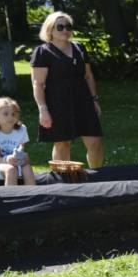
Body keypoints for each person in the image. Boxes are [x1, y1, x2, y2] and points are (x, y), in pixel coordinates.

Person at [30, 11, 103, 167]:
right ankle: (63, 179)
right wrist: (43, 109)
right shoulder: (43, 52)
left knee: (95, 141)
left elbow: (88, 76)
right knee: (62, 143)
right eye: (60, 27)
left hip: (83, 100)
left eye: (68, 27)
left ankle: (98, 176)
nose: (65, 30)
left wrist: (94, 99)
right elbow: (38, 83)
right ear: (50, 29)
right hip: (57, 102)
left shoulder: (79, 48)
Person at [0, 97, 35, 186]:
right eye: (6, 114)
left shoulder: (22, 129)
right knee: (10, 170)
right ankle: (10, 194)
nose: (10, 117)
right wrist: (6, 159)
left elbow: (21, 149)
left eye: (13, 114)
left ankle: (33, 194)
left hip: (16, 163)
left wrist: (23, 158)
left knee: (28, 168)